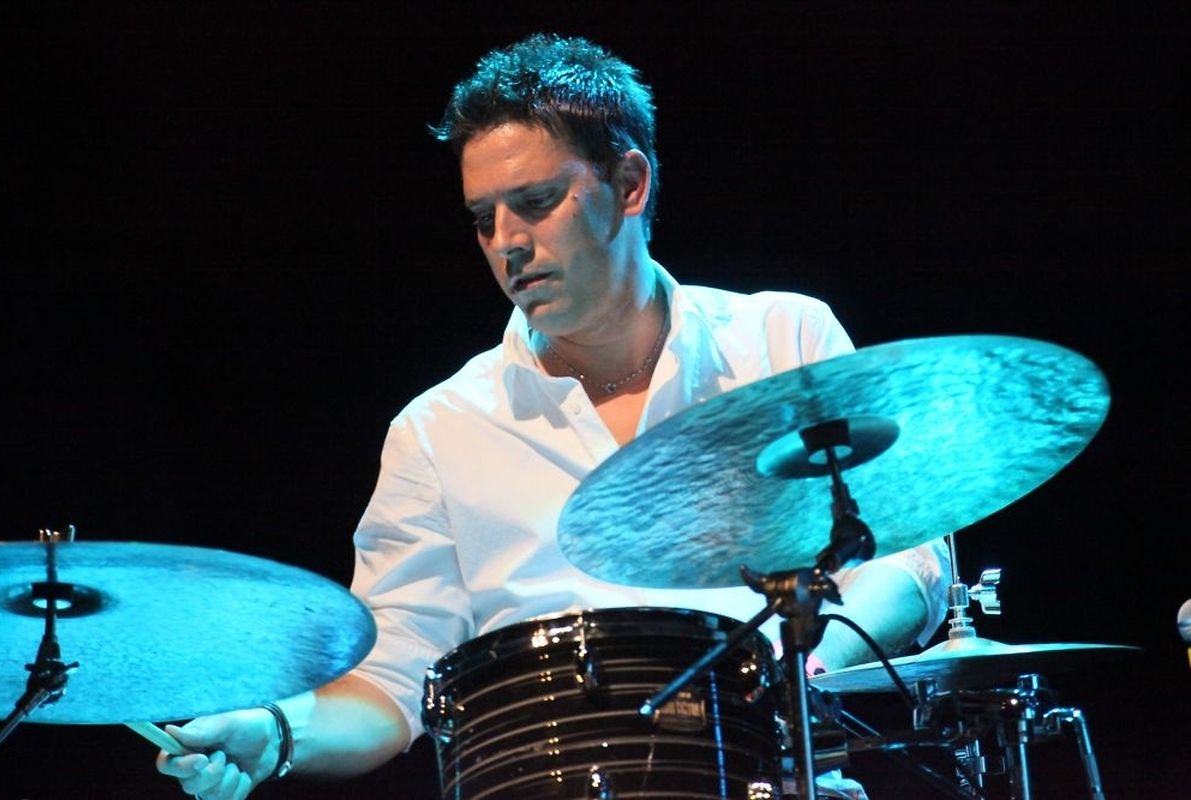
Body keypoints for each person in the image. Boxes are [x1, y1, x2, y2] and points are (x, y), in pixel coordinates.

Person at [155, 33, 951, 799]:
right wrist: (277, 731)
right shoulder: (439, 431)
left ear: (629, 184)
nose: (506, 242)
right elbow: (391, 679)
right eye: (483, 218)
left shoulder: (782, 341)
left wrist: (804, 669)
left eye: (536, 203)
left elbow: (908, 557)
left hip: (773, 772)